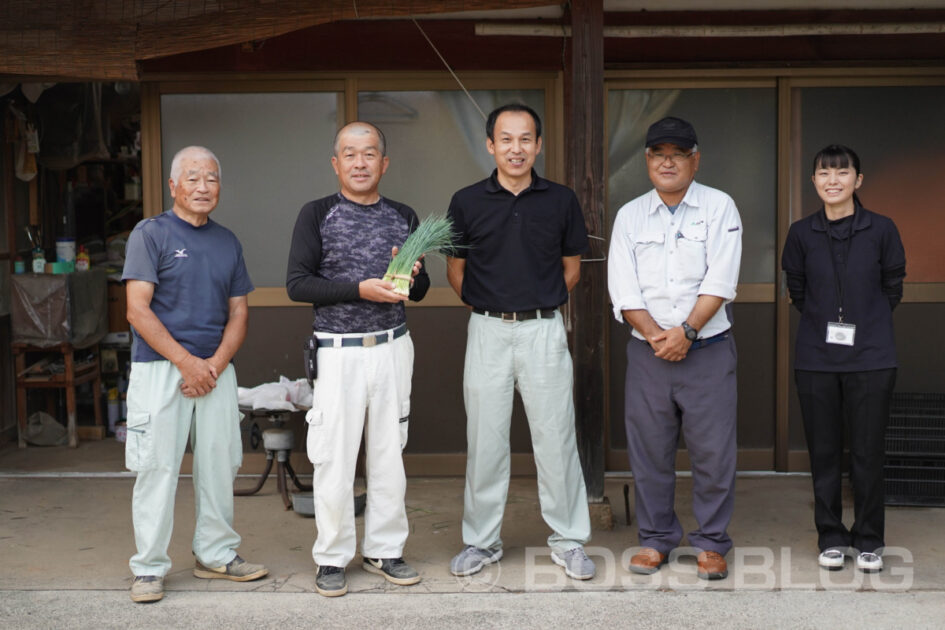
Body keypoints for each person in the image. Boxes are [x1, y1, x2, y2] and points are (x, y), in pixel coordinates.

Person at [445, 103, 595, 581]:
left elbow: (572, 268)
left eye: (525, 139)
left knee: (556, 438)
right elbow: (456, 270)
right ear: (490, 145)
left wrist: (536, 303)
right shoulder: (466, 200)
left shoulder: (561, 199)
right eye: (506, 139)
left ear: (539, 144)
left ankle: (569, 540)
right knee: (484, 440)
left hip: (543, 330)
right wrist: (492, 308)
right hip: (487, 329)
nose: (516, 148)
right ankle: (482, 541)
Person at [286, 121, 429, 597]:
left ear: (384, 164)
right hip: (339, 353)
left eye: (370, 154)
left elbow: (420, 292)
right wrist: (359, 289)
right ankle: (332, 557)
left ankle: (385, 550)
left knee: (390, 454)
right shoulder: (317, 214)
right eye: (350, 154)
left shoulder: (404, 216)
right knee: (333, 458)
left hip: (392, 346)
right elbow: (297, 284)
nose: (361, 162)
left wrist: (415, 274)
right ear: (336, 163)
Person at [123, 146, 268, 603]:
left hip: (215, 371)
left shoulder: (228, 241)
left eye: (211, 179)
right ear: (173, 186)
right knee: (157, 467)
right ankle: (148, 568)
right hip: (161, 369)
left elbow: (239, 312)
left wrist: (215, 365)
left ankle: (217, 554)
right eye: (193, 178)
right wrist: (187, 363)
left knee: (220, 465)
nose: (203, 187)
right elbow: (136, 309)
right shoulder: (151, 234)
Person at [607, 117, 742, 580]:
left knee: (713, 452)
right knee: (649, 451)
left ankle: (710, 543)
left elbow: (721, 279)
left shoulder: (720, 207)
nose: (668, 161)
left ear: (694, 159)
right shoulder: (629, 215)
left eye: (678, 153)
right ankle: (656, 539)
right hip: (648, 354)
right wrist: (659, 337)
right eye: (659, 153)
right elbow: (623, 290)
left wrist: (685, 331)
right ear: (647, 160)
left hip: (708, 349)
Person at [781, 145, 905, 573]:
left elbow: (893, 286)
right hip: (816, 358)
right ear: (814, 181)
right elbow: (797, 290)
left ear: (858, 180)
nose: (833, 180)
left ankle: (869, 538)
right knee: (825, 452)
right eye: (824, 173)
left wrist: (863, 324)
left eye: (842, 172)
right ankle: (831, 536)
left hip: (872, 358)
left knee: (869, 452)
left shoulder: (882, 229)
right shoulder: (800, 233)